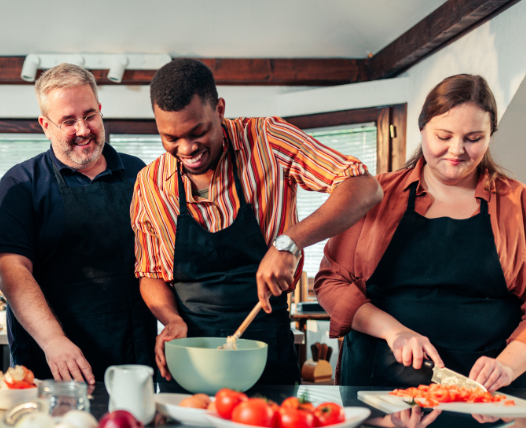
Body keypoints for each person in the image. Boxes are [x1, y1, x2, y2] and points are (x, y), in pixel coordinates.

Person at [132, 58, 382, 386]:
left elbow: (364, 187)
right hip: (189, 352)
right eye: (171, 138)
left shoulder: (268, 140)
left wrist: (289, 241)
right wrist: (170, 320)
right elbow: (150, 273)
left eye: (198, 132)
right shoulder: (149, 183)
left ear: (220, 109)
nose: (187, 148)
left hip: (266, 348)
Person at [315, 74, 526, 392]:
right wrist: (394, 331)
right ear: (422, 129)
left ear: (491, 134)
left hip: (489, 392)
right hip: (380, 383)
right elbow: (331, 282)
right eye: (443, 135)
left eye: (474, 138)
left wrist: (507, 364)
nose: (456, 150)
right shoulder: (373, 196)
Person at [0, 63, 156, 384]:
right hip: (53, 361)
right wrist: (54, 342)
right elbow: (11, 271)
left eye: (89, 115)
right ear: (45, 126)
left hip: (133, 358)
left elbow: (159, 259)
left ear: (101, 111)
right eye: (67, 121)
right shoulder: (21, 184)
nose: (83, 129)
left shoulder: (139, 174)